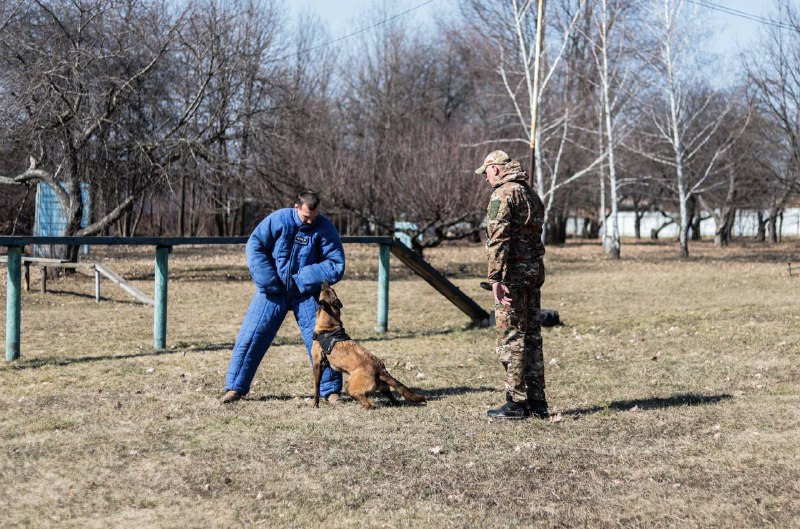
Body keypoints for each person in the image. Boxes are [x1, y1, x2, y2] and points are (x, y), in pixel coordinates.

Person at [222, 191, 345, 404]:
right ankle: (235, 388)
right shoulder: (278, 219)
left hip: (306, 292)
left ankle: (331, 391)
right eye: (306, 216)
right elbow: (255, 245)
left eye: (314, 216)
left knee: (323, 340)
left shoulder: (324, 227)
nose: (311, 220)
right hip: (273, 290)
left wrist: (302, 278)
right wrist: (269, 281)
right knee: (252, 337)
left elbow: (335, 263)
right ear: (296, 207)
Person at [475, 150, 549, 420]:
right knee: (531, 336)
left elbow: (498, 239)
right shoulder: (530, 193)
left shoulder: (503, 194)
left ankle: (516, 402)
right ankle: (537, 401)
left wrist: (495, 278)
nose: (485, 178)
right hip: (532, 272)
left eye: (486, 171)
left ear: (496, 168)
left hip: (512, 276)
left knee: (512, 337)